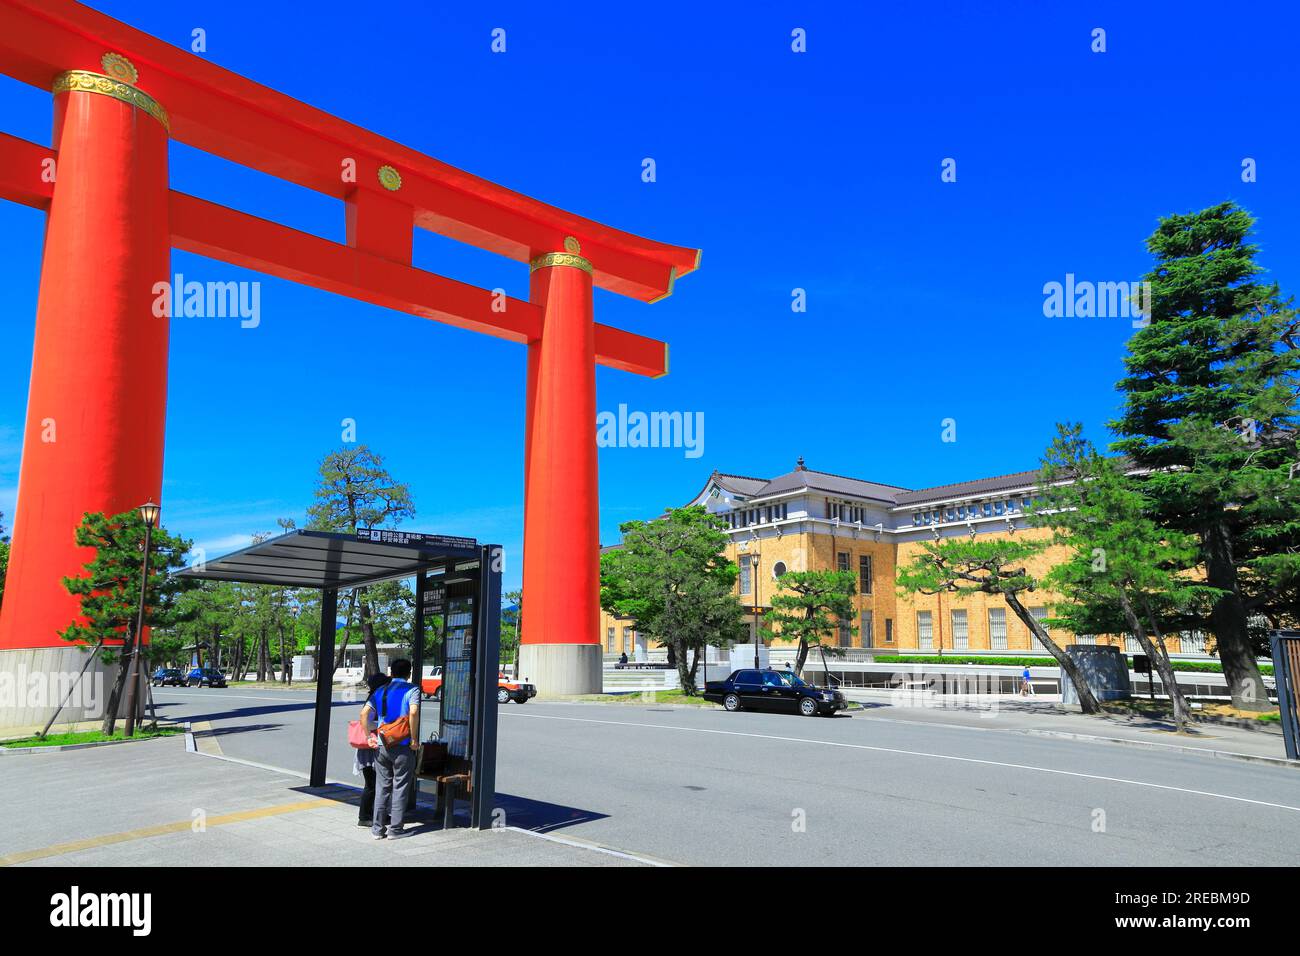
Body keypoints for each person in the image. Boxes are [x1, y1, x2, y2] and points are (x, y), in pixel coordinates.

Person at [360, 658, 420, 839]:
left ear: (391, 673)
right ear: (408, 674)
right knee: (400, 786)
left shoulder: (380, 690)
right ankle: (396, 829)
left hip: (382, 745)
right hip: (402, 745)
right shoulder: (412, 689)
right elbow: (414, 712)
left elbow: (364, 714)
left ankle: (377, 829)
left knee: (382, 786)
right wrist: (414, 740)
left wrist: (369, 736)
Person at [355, 673, 391, 829]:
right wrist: (383, 724)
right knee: (371, 784)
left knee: (375, 783)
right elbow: (366, 722)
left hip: (371, 746)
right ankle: (364, 817)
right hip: (368, 747)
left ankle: (376, 814)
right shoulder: (374, 700)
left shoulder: (375, 698)